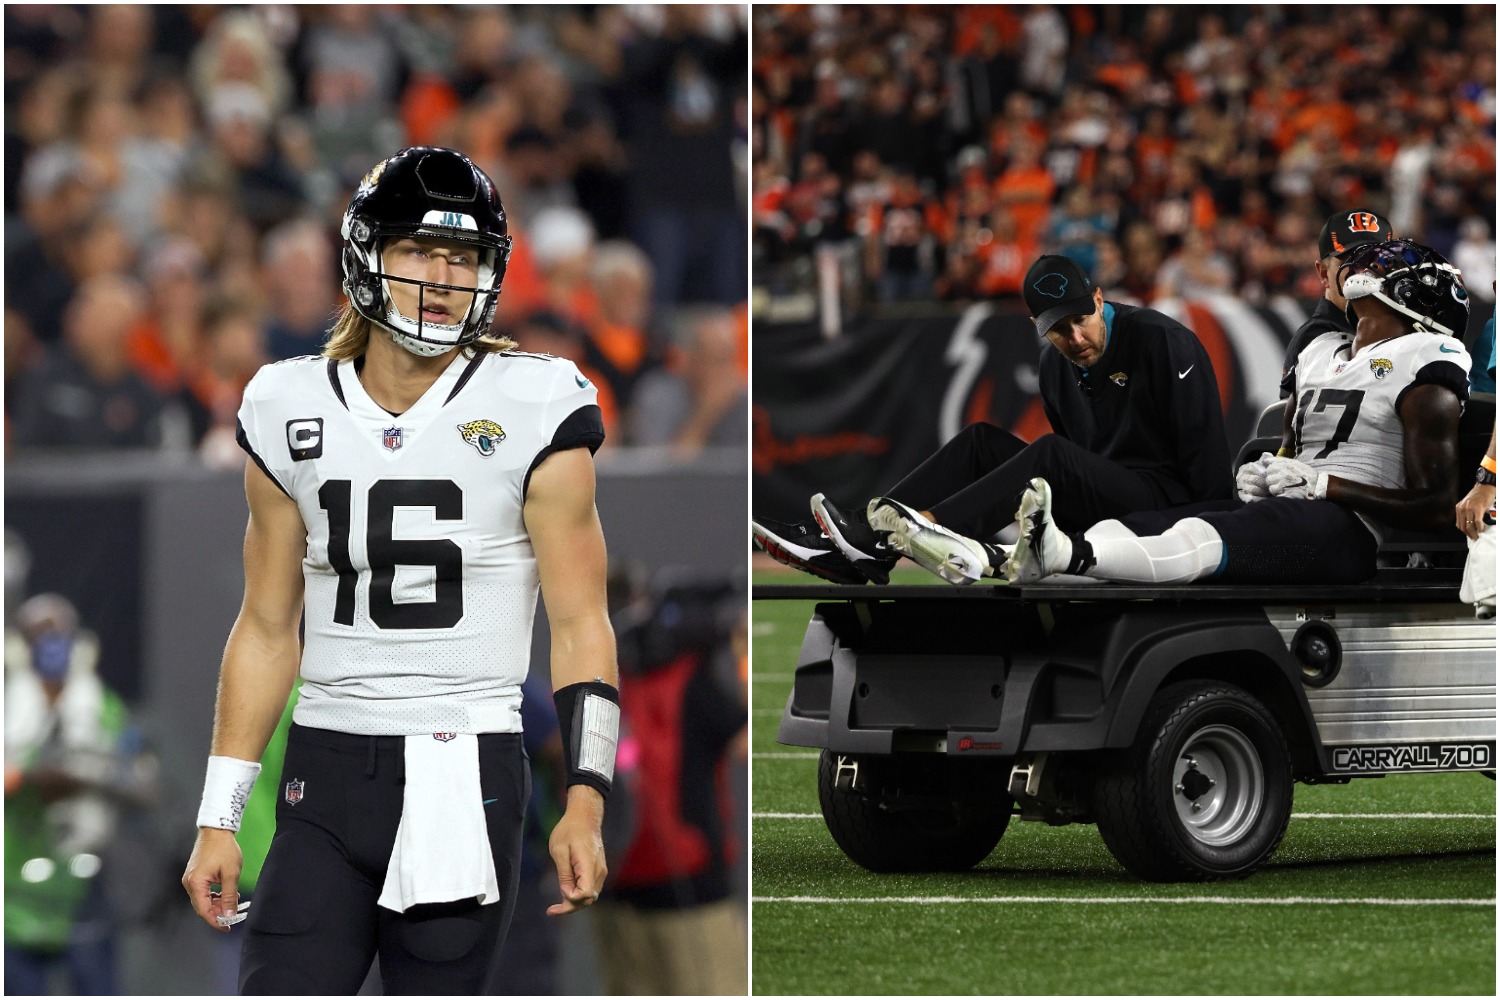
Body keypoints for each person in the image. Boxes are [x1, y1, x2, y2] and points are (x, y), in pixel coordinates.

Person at [179, 146, 620, 995]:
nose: (443, 277)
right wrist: (220, 816)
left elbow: (580, 623)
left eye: (465, 258)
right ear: (366, 256)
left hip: (466, 768)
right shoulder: (287, 403)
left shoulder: (537, 405)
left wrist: (588, 795)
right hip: (326, 765)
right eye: (420, 250)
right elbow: (268, 627)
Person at [876, 239, 1471, 590]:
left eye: (1369, 304)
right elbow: (1297, 448)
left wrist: (1324, 485)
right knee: (1126, 529)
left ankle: (1040, 553)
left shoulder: (1427, 365)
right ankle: (883, 531)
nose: (1354, 311)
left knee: (1203, 532)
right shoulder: (1324, 351)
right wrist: (1267, 468)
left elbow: (1436, 506)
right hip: (1296, 508)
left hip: (1351, 528)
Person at [754, 253, 1234, 584]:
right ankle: (857, 546)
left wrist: (1206, 548)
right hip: (1109, 507)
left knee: (1051, 455)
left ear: (1099, 299)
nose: (1076, 338)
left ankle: (924, 531)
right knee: (981, 440)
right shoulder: (1054, 367)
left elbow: (1208, 475)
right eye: (1057, 330)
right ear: (1036, 328)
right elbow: (1084, 472)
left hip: (1172, 511)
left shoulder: (1163, 341)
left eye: (1080, 320)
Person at [5, 594, 156, 996]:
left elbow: (144, 786)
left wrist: (94, 775)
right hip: (12, 894)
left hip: (83, 885)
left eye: (60, 633)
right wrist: (28, 779)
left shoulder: (105, 709)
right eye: (40, 634)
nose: (51, 644)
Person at [1279, 209, 1395, 398]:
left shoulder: (1400, 324)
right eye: (1351, 261)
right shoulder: (1314, 340)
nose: (1363, 272)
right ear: (1324, 273)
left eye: (1374, 259)